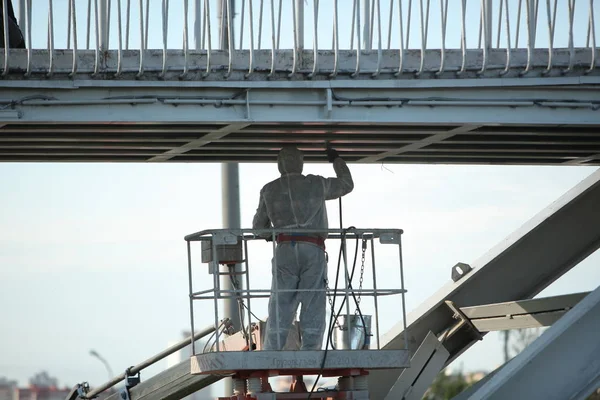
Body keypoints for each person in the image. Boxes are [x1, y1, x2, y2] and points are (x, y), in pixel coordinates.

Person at [252, 144, 354, 351]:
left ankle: (272, 350)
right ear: (301, 163)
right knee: (313, 301)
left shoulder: (269, 189)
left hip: (284, 250)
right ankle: (311, 350)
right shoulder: (316, 184)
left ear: (279, 165)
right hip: (313, 247)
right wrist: (336, 160)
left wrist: (274, 235)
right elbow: (346, 184)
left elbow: (258, 229)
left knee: (280, 304)